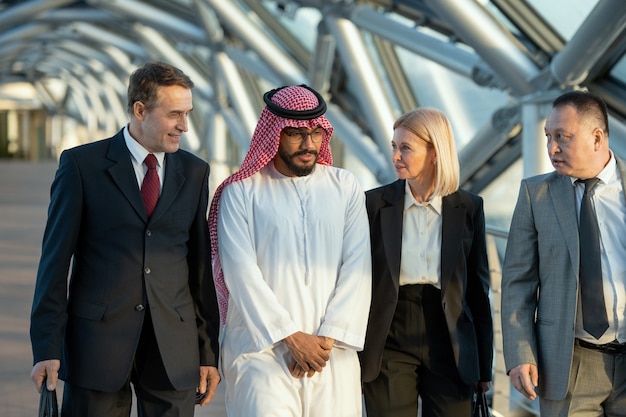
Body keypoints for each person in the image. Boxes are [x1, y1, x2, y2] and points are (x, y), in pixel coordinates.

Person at [29, 61, 221, 417]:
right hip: (97, 345)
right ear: (140, 110)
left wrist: (208, 353)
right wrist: (46, 347)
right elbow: (54, 264)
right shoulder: (81, 166)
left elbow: (199, 270)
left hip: (173, 349)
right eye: (174, 114)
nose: (185, 126)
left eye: (188, 113)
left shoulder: (195, 171)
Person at [207, 84, 372, 417]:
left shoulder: (345, 186)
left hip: (331, 353)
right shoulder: (241, 192)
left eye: (315, 133)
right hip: (261, 351)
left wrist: (326, 338)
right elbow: (240, 274)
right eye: (296, 134)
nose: (309, 144)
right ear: (275, 134)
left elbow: (358, 265)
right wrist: (291, 338)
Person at [360, 107, 494, 417]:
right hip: (389, 335)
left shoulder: (469, 207)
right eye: (394, 146)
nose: (395, 156)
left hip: (451, 340)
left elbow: (477, 289)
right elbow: (358, 278)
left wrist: (483, 364)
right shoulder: (374, 204)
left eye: (405, 148)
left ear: (435, 152)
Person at [502, 90, 626, 415]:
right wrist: (519, 353)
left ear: (597, 138)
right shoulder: (536, 194)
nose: (552, 148)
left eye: (563, 137)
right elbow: (517, 282)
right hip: (569, 364)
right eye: (548, 136)